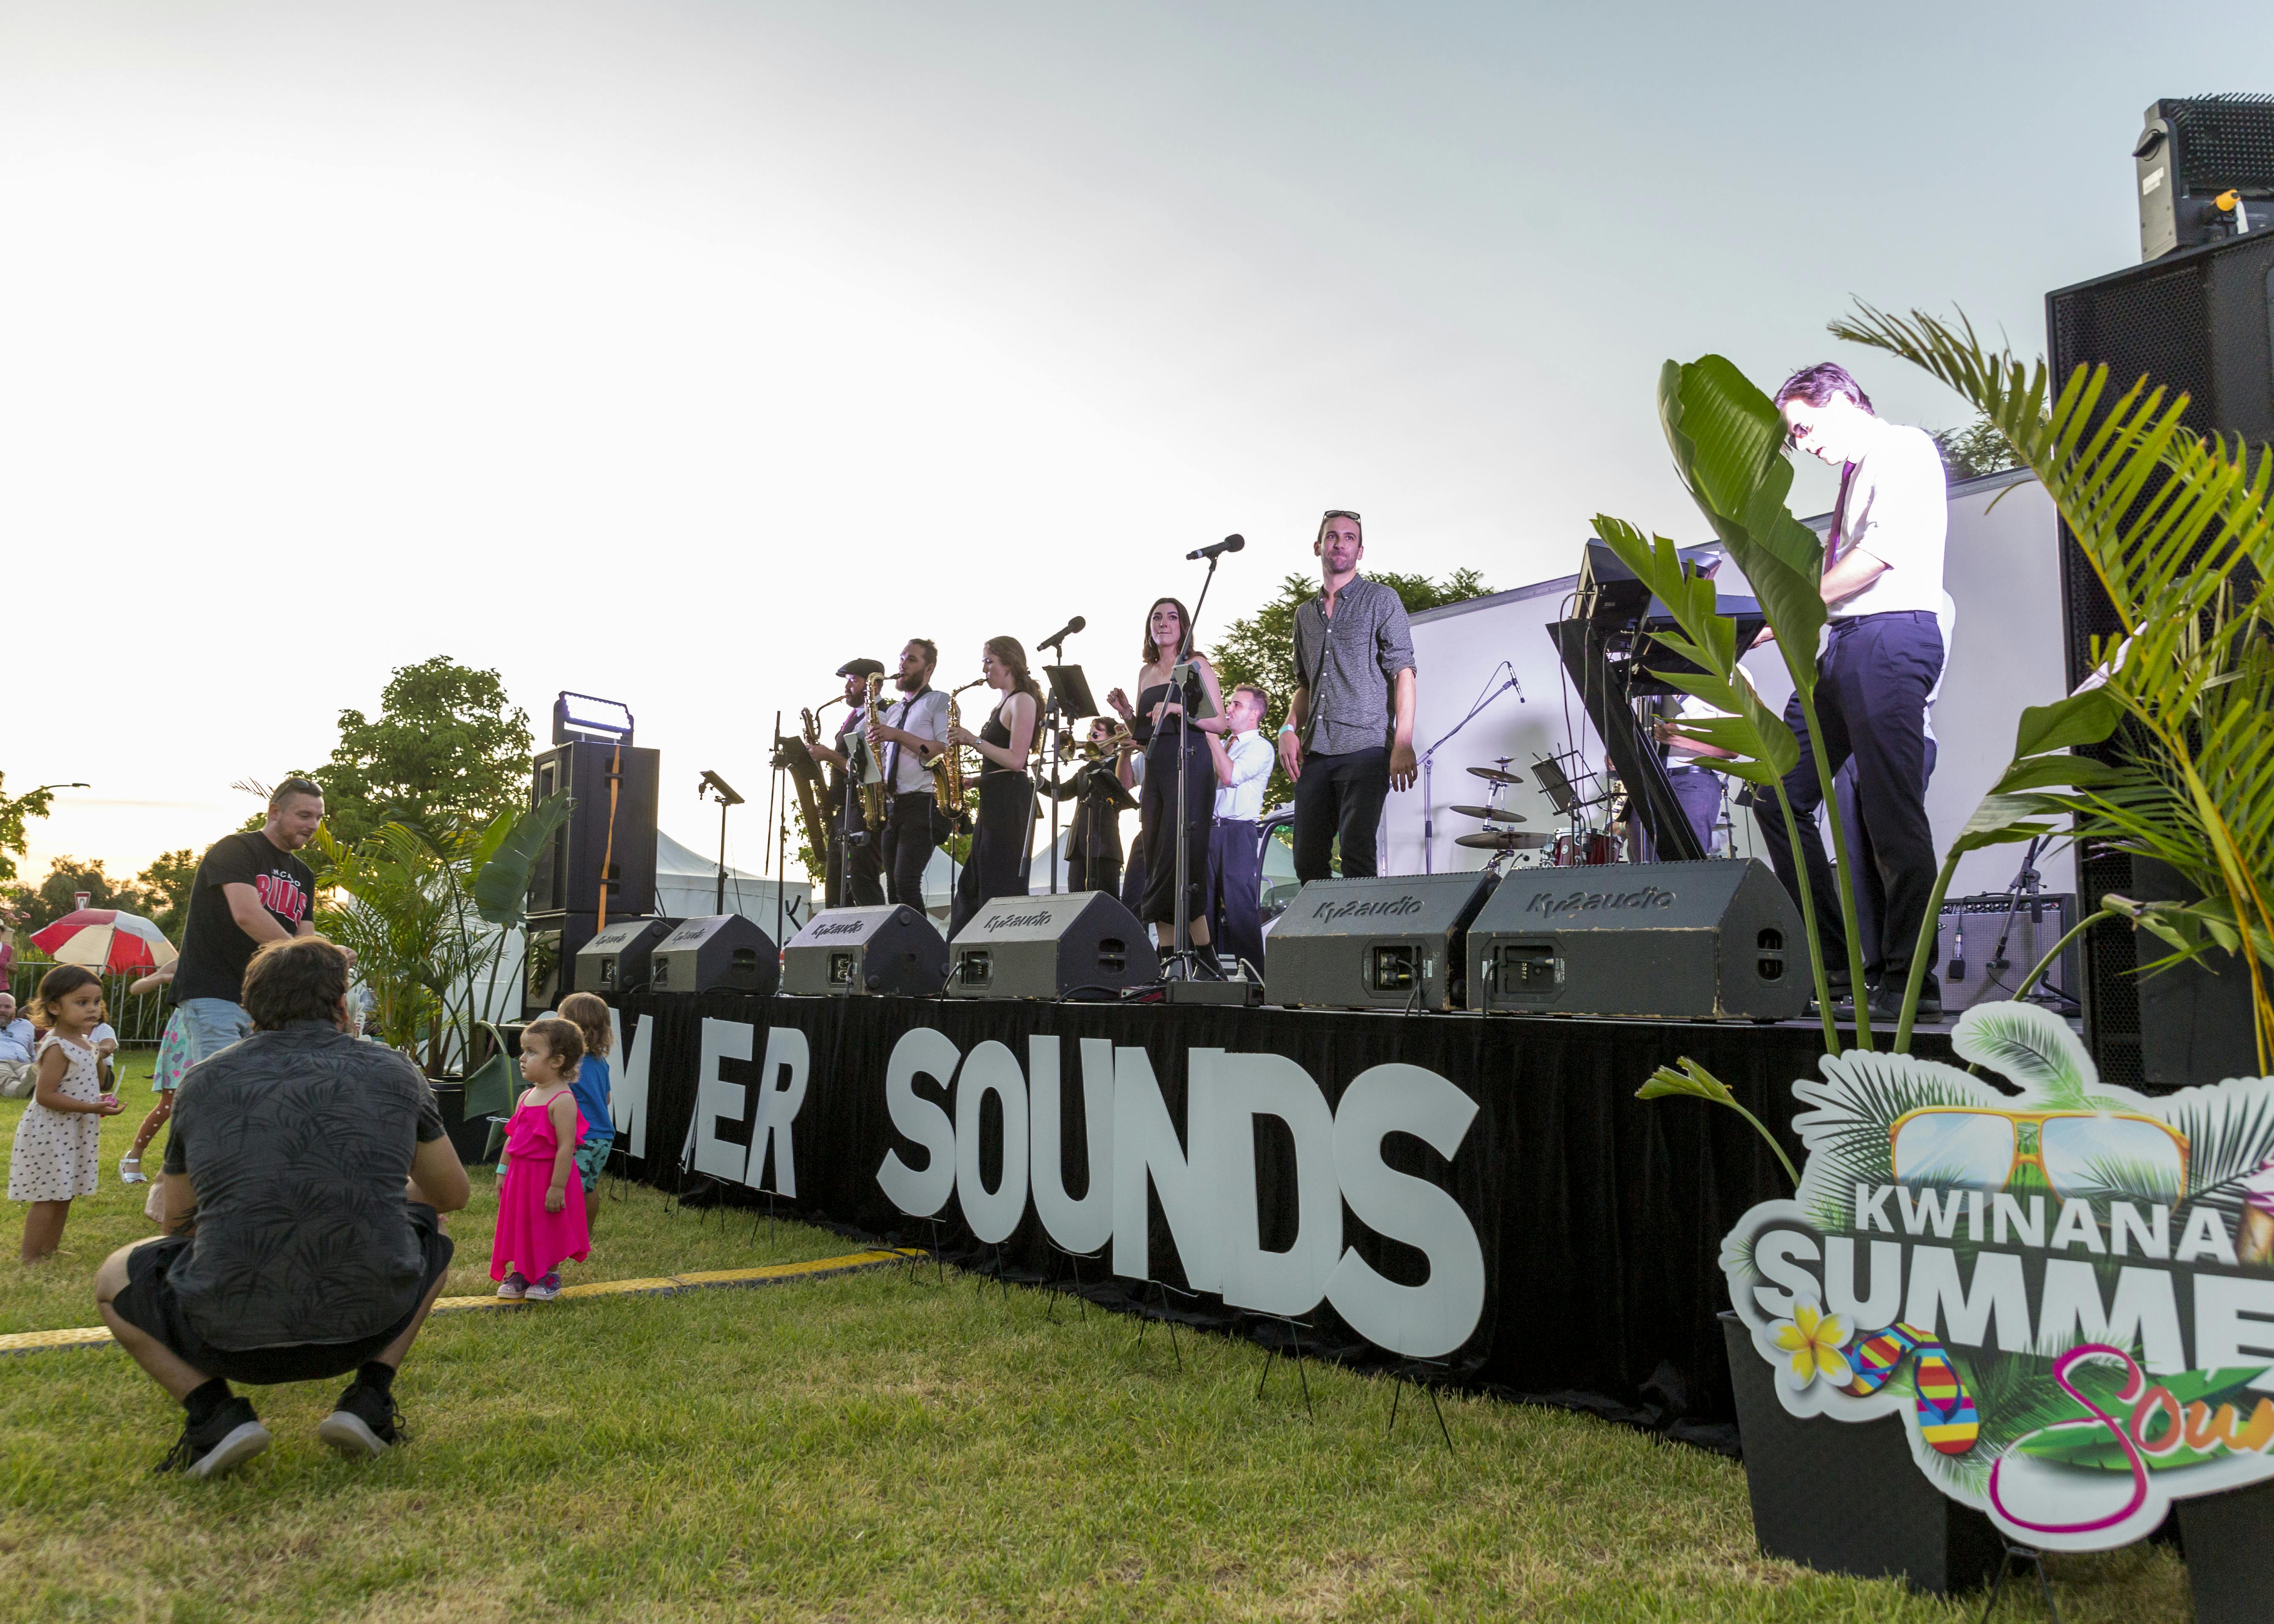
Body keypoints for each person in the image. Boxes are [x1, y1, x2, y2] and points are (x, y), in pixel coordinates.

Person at [94, 936, 468, 1477]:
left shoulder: (202, 1082)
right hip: (368, 1324)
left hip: (227, 1336)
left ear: (250, 1007)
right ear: (341, 1005)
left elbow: (178, 1222)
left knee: (112, 1277)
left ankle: (214, 1414)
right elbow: (451, 1195)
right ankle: (370, 1399)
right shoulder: (395, 1072)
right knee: (432, 1230)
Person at [1757, 363, 1949, 1024]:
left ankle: (1910, 983)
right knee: (1776, 795)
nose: (1804, 444)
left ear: (1839, 399)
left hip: (1891, 639)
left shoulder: (1903, 449)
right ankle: (1839, 963)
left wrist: (1787, 605)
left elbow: (1877, 556)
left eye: (1805, 427)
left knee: (1891, 820)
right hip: (1840, 647)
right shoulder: (1850, 473)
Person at [1279, 511, 1418, 882]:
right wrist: (1288, 729)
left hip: (1367, 748)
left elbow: (1403, 671)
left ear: (1360, 551)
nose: (1340, 543)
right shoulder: (1303, 616)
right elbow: (1306, 685)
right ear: (1317, 546)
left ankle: (1362, 941)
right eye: (1332, 537)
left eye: (1349, 538)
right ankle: (1324, 940)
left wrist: (1403, 742)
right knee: (1306, 862)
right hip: (1317, 753)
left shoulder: (1381, 600)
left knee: (1356, 852)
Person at [1834, 590, 1958, 996]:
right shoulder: (1856, 608)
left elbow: (1912, 677)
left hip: (1902, 733)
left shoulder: (1928, 602)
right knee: (1857, 866)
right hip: (1849, 745)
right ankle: (1873, 975)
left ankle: (1912, 981)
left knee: (1894, 852)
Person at [168, 778, 325, 1068]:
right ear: (275, 812)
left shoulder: (304, 874)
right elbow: (247, 915)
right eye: (304, 816)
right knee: (224, 1085)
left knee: (261, 1086)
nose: (313, 825)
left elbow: (306, 937)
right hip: (215, 992)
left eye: (318, 818)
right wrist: (306, 960)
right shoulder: (237, 849)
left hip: (267, 1002)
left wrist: (330, 956)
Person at [1109, 598, 1227, 955]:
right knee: (1157, 862)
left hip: (1190, 765)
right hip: (1158, 769)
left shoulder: (1193, 664)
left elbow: (1218, 723)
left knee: (1183, 861)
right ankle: (1166, 959)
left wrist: (1180, 708)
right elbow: (1146, 734)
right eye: (1156, 617)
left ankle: (1204, 958)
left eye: (1171, 617)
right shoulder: (1146, 673)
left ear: (1184, 625)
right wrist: (1129, 713)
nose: (1163, 623)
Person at [11, 965, 124, 1261]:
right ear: (54, 1007)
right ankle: (30, 1255)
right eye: (82, 1002)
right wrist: (92, 1107)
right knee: (49, 1195)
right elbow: (46, 1095)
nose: (94, 1009)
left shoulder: (87, 1043)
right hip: (50, 1130)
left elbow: (95, 1082)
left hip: (73, 1130)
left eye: (97, 1001)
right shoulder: (58, 1046)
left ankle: (51, 1249)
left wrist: (99, 1063)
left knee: (66, 1192)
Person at [491, 1015, 591, 1303]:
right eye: (523, 1051)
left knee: (548, 1224)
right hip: (521, 1177)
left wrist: (558, 1187)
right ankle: (523, 1270)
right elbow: (513, 1137)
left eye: (532, 1052)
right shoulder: (526, 1097)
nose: (522, 1058)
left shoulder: (563, 1100)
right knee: (522, 1222)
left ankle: (549, 1274)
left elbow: (566, 1146)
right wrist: (502, 1172)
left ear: (557, 1061)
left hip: (549, 1177)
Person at [948, 637, 1042, 937]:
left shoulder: (1022, 701)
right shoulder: (1004, 702)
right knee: (973, 886)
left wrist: (971, 739)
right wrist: (979, 780)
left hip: (1009, 805)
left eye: (989, 661)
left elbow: (1017, 761)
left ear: (1008, 663)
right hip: (994, 799)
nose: (985, 668)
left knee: (998, 887)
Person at [869, 639, 953, 912]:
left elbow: (944, 751)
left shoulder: (938, 701)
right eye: (902, 658)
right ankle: (905, 950)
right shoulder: (893, 711)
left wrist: (897, 735)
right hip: (894, 805)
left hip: (925, 802)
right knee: (893, 888)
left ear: (929, 668)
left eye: (912, 660)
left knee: (906, 882)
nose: (902, 664)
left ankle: (924, 951)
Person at [1206, 683, 1274, 973]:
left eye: (1237, 705)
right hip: (1208, 830)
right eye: (1229, 704)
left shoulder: (1260, 747)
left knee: (1240, 906)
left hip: (1237, 832)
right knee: (1201, 906)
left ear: (1254, 715)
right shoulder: (1223, 744)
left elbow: (1230, 775)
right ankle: (1204, 971)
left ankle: (1255, 976)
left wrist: (1209, 732)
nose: (1229, 709)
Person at [807, 660, 886, 908]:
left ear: (872, 685)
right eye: (847, 680)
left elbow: (864, 770)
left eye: (853, 680)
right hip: (846, 809)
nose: (847, 686)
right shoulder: (855, 716)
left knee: (861, 881)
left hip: (862, 810)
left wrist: (828, 755)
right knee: (836, 887)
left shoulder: (878, 717)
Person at [1052, 718, 1137, 898]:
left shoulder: (1119, 765)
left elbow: (1120, 788)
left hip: (1105, 846)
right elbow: (1062, 793)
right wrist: (1040, 780)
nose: (1090, 739)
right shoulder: (1085, 770)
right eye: (1089, 735)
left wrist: (1100, 759)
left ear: (1113, 739)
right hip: (1077, 846)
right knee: (1076, 902)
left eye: (1096, 734)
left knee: (1105, 903)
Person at [118, 963, 185, 1184]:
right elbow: (136, 988)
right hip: (184, 1035)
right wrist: (162, 978)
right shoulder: (183, 958)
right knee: (170, 1103)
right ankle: (133, 1156)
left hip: (225, 1029)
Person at [556, 991, 615, 1196]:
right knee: (589, 1189)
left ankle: (570, 1230)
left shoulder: (568, 1063)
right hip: (603, 1137)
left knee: (569, 1192)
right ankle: (587, 1230)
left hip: (580, 1138)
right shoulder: (601, 1062)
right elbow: (606, 1099)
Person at [0, 991, 34, 1098]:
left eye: (7, 1007)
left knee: (30, 1073)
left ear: (14, 1010)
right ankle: (21, 1091)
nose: (2, 1010)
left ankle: (33, 1087)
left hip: (23, 1064)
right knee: (6, 1079)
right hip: (1, 1063)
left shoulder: (26, 1026)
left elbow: (31, 1050)